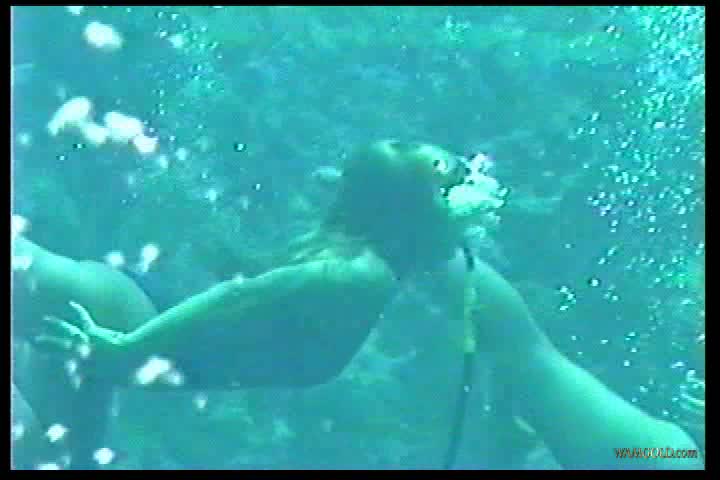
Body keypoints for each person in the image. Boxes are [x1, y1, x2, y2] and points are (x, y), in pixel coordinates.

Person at [12, 140, 703, 470]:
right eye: (451, 182)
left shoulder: (398, 267)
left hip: (127, 338)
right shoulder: (361, 275)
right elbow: (239, 294)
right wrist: (127, 350)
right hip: (128, 330)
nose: (475, 189)